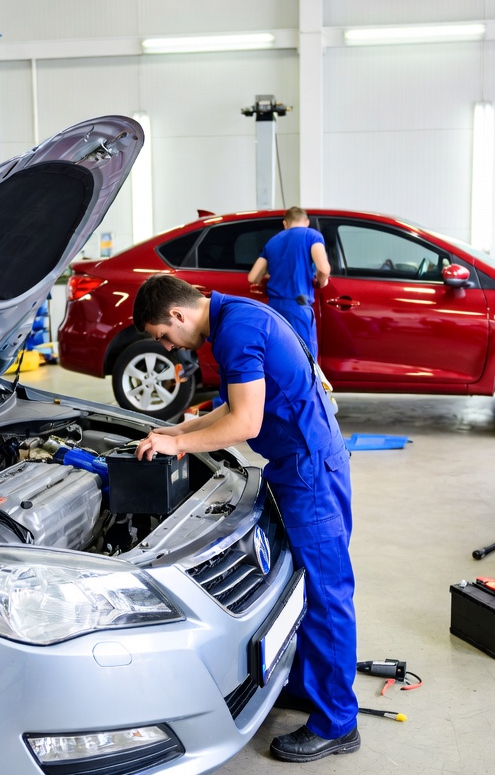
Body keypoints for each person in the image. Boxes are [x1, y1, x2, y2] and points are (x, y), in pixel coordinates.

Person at [132, 274, 359, 763]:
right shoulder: (234, 314)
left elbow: (245, 423)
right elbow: (234, 406)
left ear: (177, 314)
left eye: (163, 336)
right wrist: (179, 428)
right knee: (301, 586)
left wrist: (178, 444)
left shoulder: (237, 330)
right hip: (304, 463)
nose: (169, 348)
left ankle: (338, 721)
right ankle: (311, 686)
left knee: (326, 593)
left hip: (309, 472)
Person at [248, 207, 331, 361]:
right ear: (306, 222)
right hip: (298, 307)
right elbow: (323, 269)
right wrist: (320, 282)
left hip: (274, 308)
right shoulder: (311, 235)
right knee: (305, 359)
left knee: (280, 356)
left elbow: (253, 277)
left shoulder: (273, 241)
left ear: (285, 223)